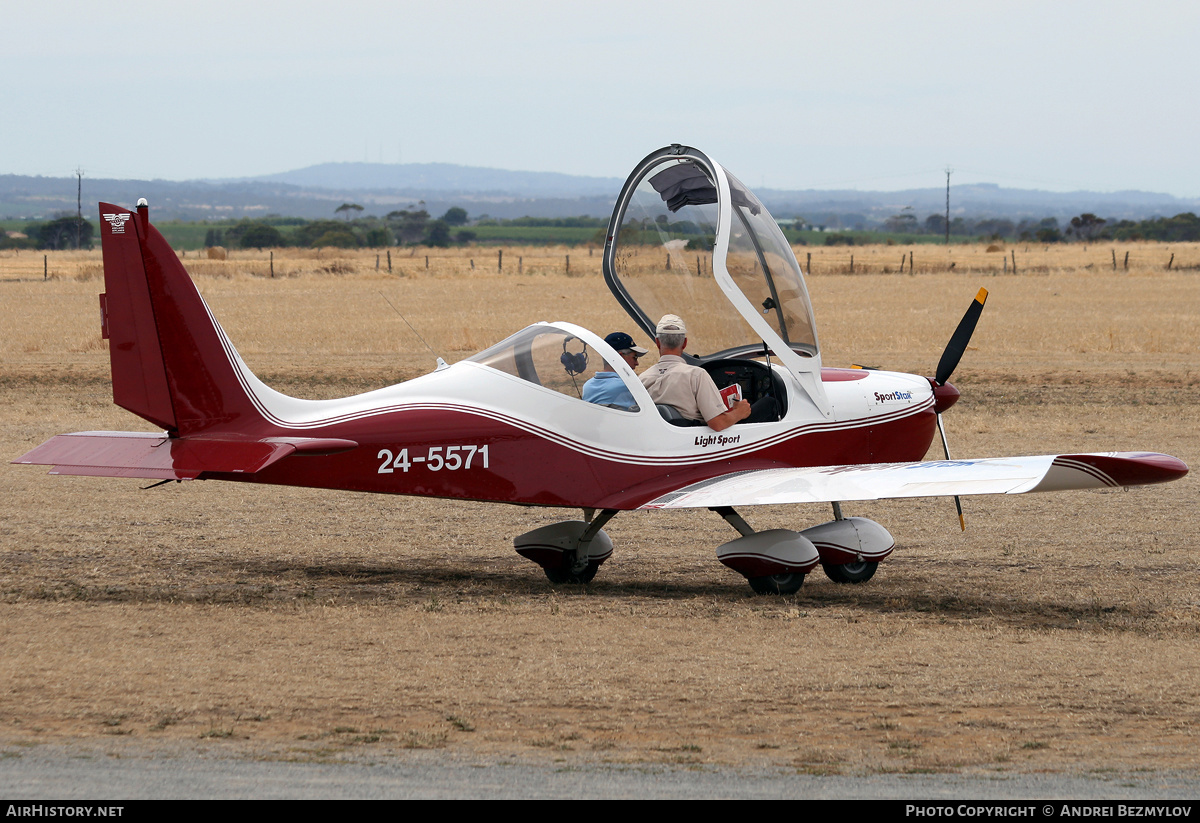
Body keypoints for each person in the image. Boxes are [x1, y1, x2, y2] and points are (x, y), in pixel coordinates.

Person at [640, 315, 751, 432]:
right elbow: (718, 424)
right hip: (693, 443)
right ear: (684, 343)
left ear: (657, 342)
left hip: (661, 439)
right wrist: (739, 412)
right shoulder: (696, 375)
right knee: (767, 403)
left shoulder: (642, 379)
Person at [582, 331, 648, 409]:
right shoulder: (630, 386)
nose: (637, 363)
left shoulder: (587, 386)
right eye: (635, 358)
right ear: (620, 357)